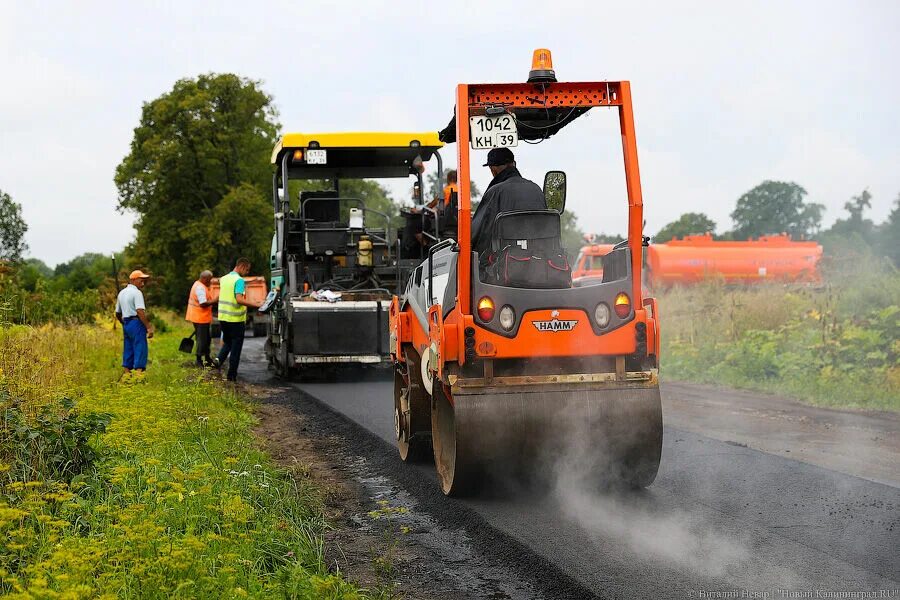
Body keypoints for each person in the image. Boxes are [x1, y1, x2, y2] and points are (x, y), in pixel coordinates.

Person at [470, 148, 546, 257]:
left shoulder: (495, 192)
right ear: (514, 164)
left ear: (493, 169)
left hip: (503, 265)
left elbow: (477, 233)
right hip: (539, 260)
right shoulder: (536, 189)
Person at [216, 258, 262, 382]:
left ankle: (217, 362)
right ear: (241, 266)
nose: (247, 272)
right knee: (236, 348)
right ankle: (231, 376)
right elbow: (239, 299)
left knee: (228, 343)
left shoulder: (224, 279)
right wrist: (257, 304)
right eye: (247, 269)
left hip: (223, 318)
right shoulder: (239, 280)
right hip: (235, 320)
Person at [115, 270, 154, 380]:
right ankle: (138, 376)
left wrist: (123, 323)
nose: (143, 284)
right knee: (140, 347)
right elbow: (140, 311)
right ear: (133, 280)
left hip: (126, 323)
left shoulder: (121, 293)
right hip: (136, 323)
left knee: (128, 348)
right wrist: (148, 327)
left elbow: (117, 313)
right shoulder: (137, 293)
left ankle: (127, 376)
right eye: (141, 281)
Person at [185, 270, 215, 367]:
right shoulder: (200, 288)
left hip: (201, 317)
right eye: (209, 280)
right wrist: (215, 300)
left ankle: (207, 358)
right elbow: (203, 304)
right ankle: (199, 360)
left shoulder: (199, 285)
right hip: (199, 317)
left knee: (206, 338)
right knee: (202, 340)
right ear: (204, 278)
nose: (210, 282)